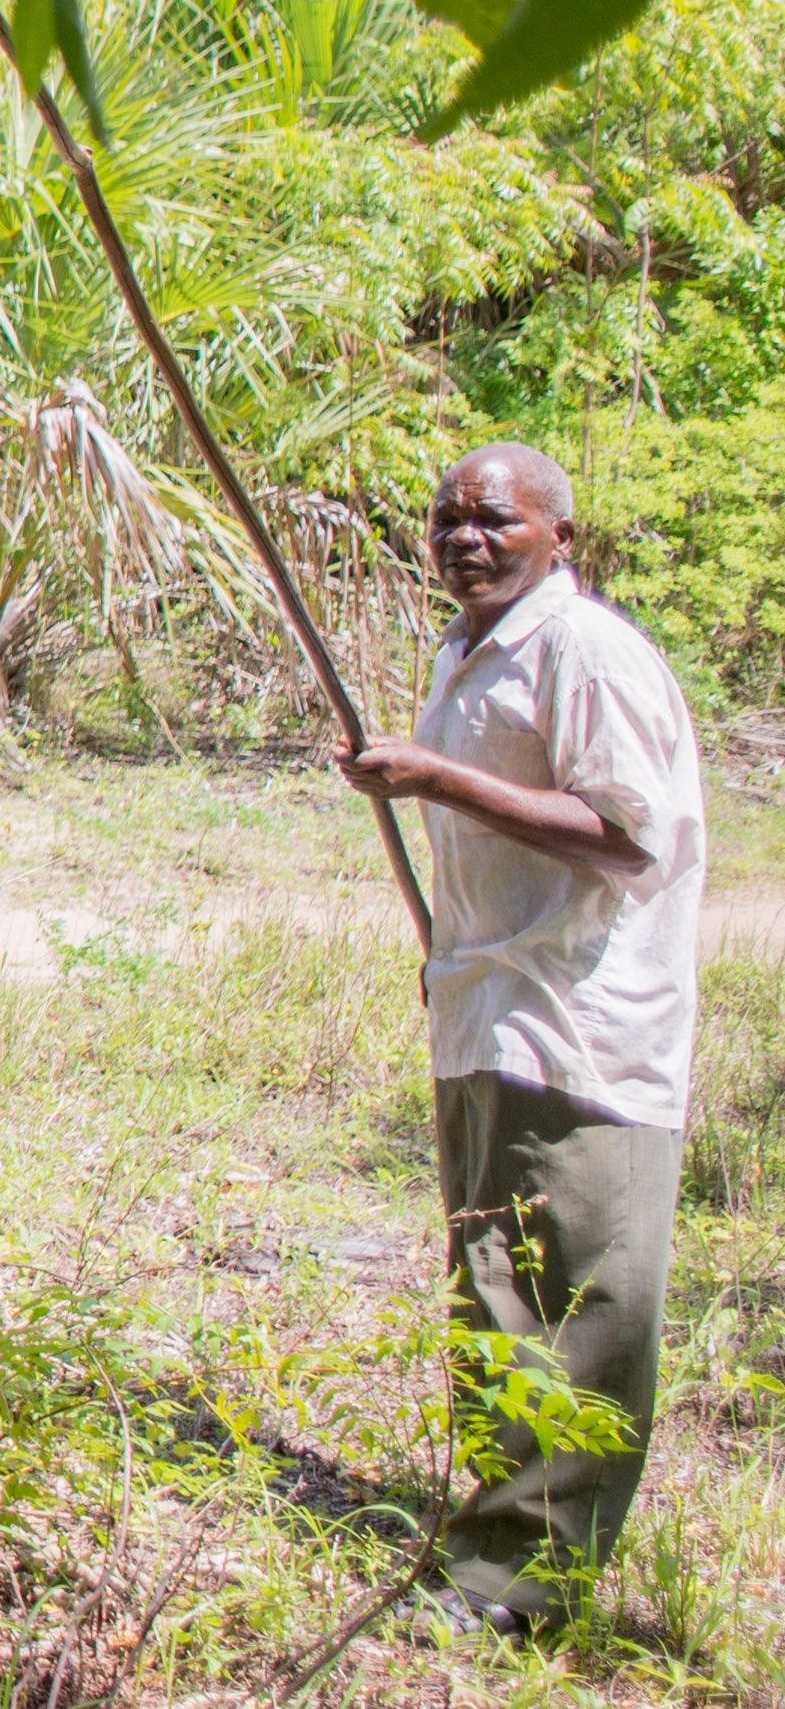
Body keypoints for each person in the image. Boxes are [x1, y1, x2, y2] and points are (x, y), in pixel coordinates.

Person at [334, 441, 703, 1636]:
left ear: (560, 536)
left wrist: (434, 778)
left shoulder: (583, 651)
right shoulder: (467, 650)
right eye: (445, 521)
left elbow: (621, 837)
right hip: (488, 1008)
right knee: (495, 1287)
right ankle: (494, 1544)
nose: (463, 539)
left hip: (581, 1025)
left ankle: (525, 1589)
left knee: (577, 1301)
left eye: (492, 520)